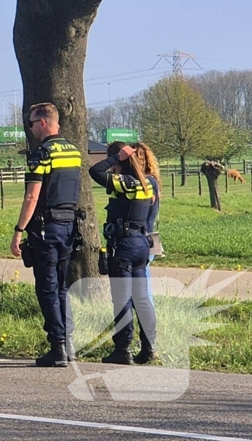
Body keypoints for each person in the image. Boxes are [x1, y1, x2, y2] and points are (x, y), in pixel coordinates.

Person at [11, 102, 82, 367]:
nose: (30, 128)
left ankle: (57, 348)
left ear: (42, 123)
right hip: (69, 226)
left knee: (47, 288)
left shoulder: (40, 154)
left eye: (31, 123)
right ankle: (69, 343)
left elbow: (32, 196)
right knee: (63, 287)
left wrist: (19, 231)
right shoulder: (73, 151)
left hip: (46, 227)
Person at [88, 142, 157, 366]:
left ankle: (123, 349)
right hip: (141, 244)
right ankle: (148, 347)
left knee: (122, 299)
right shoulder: (149, 183)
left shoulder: (126, 183)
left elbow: (95, 172)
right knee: (142, 298)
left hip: (124, 245)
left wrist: (116, 157)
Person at [134, 141, 161, 364]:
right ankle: (149, 340)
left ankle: (148, 341)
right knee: (145, 293)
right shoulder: (154, 182)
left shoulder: (144, 184)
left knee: (142, 295)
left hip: (139, 239)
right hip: (150, 238)